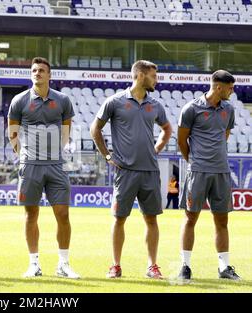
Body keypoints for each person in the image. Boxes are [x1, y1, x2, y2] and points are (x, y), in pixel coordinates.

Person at [90, 60, 172, 279]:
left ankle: (152, 266)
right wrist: (107, 155)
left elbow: (167, 129)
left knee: (151, 219)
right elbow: (95, 128)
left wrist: (157, 148)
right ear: (141, 75)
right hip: (125, 171)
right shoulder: (114, 102)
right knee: (119, 218)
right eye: (154, 75)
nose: (157, 80)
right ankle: (115, 265)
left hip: (150, 171)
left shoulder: (155, 105)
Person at [8, 57, 80, 279]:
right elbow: (12, 133)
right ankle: (34, 264)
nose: (37, 73)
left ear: (49, 75)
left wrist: (54, 152)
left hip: (56, 166)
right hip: (30, 165)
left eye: (41, 70)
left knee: (63, 215)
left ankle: (63, 264)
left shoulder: (63, 100)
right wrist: (25, 155)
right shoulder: (19, 101)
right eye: (34, 70)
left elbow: (66, 131)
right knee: (31, 215)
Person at [177, 70, 240, 281]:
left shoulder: (229, 109)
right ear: (219, 87)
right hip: (198, 172)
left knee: (222, 221)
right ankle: (185, 266)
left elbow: (225, 136)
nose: (232, 91)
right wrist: (194, 162)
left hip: (221, 171)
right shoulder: (191, 109)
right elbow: (181, 141)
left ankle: (224, 268)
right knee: (190, 218)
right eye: (230, 88)